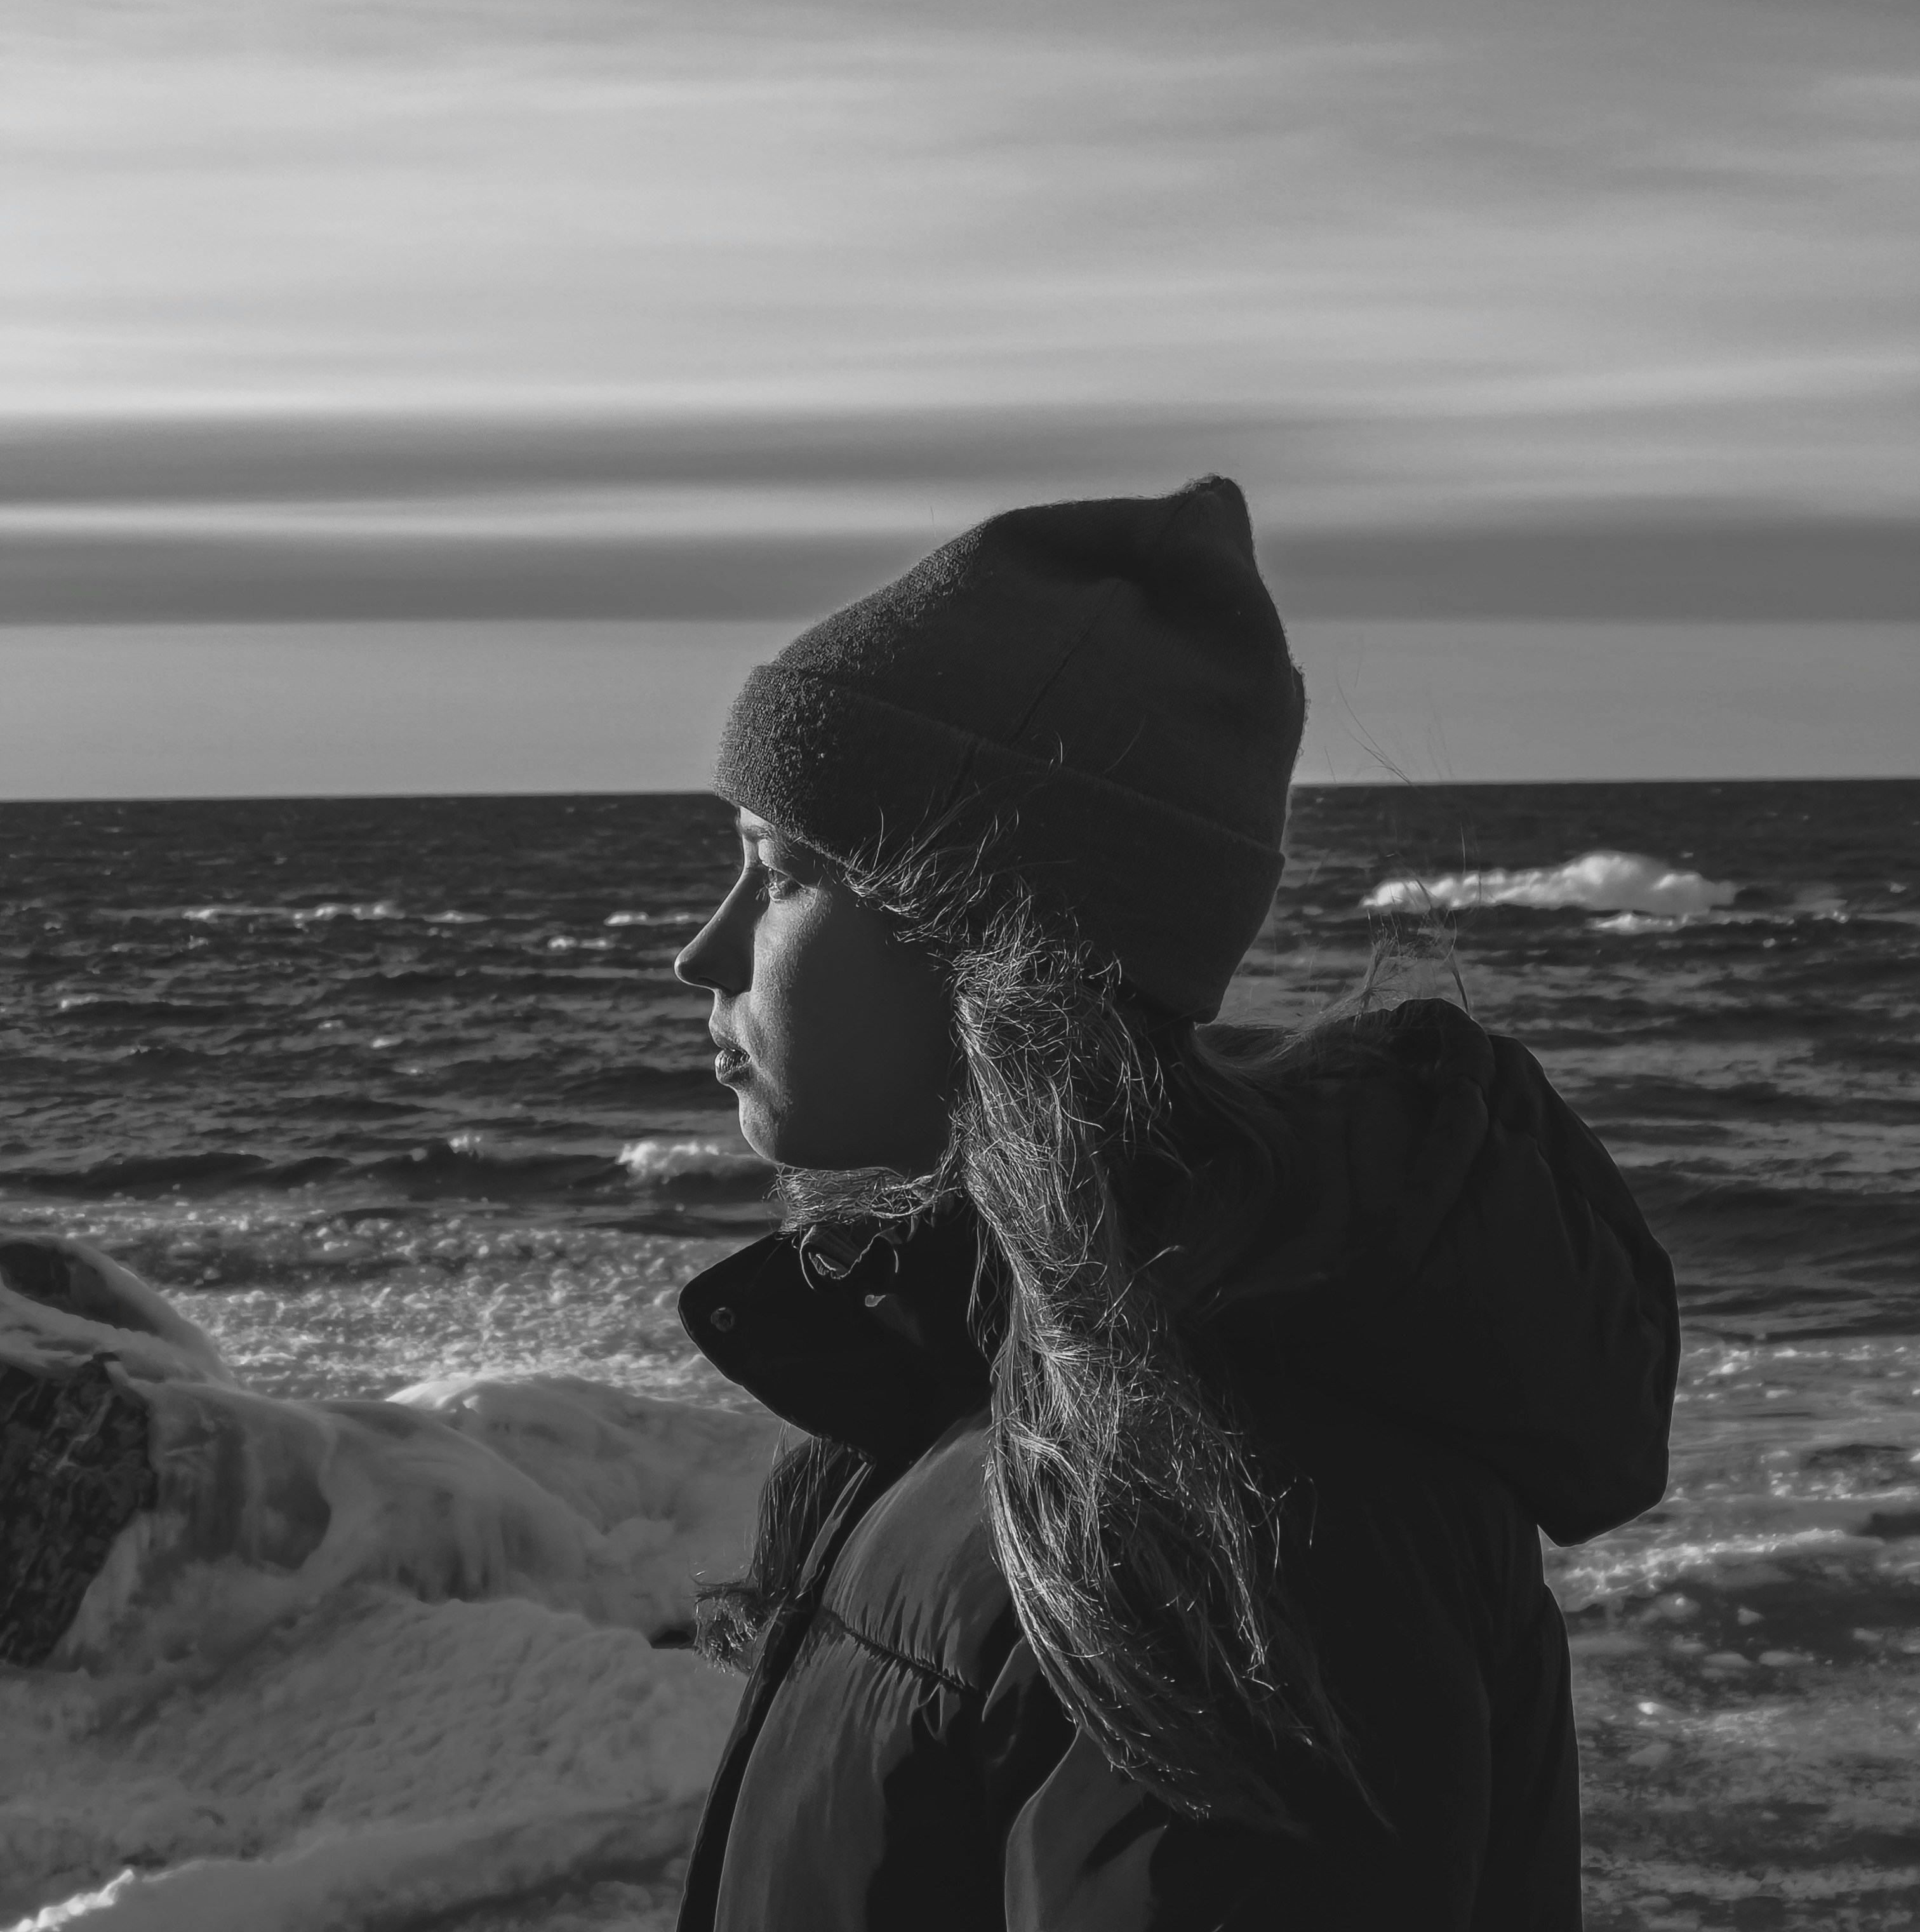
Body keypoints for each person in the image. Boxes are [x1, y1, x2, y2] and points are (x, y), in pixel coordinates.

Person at [669, 476, 1679, 1931]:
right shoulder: (1005, 1373)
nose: (702, 955)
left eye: (775, 875)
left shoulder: (1245, 1509)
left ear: (996, 934)